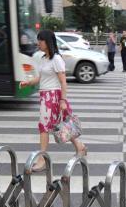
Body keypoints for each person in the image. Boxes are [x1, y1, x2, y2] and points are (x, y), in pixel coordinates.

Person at [19, 30, 87, 171]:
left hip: (54, 97)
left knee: (44, 127)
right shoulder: (44, 58)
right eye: (38, 40)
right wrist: (28, 82)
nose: (38, 43)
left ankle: (42, 159)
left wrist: (62, 100)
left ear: (48, 42)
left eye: (41, 40)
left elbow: (63, 82)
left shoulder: (56, 59)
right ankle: (80, 146)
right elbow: (41, 78)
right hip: (45, 96)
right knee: (62, 125)